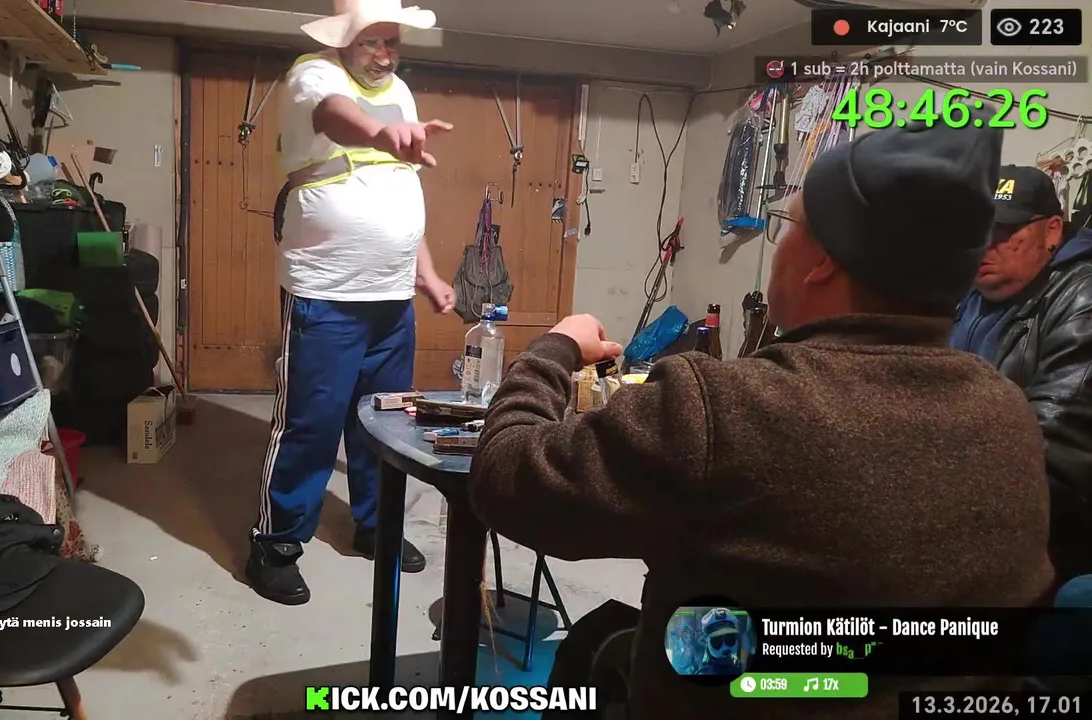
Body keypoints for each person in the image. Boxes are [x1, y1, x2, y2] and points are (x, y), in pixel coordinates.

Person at [468, 120, 1055, 718]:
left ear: (823, 260)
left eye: (788, 225)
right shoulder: (1007, 413)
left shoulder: (725, 407)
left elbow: (507, 477)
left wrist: (556, 347)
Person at [247, 0, 458, 605]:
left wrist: (427, 273)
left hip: (391, 296)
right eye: (371, 42)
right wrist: (380, 132)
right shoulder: (315, 74)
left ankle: (375, 525)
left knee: (386, 422)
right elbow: (335, 117)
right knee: (309, 426)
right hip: (326, 294)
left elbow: (400, 186)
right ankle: (275, 545)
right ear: (344, 41)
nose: (384, 55)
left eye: (392, 42)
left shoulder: (402, 93)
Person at [950, 166, 1092, 584]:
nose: (984, 246)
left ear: (1052, 231)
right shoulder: (961, 295)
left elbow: (1057, 449)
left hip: (1048, 541)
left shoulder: (1082, 298)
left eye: (1002, 231)